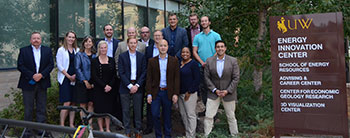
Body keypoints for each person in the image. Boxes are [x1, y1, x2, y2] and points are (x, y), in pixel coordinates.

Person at [17, 32, 54, 136]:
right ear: (30, 40)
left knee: (41, 108)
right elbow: (20, 65)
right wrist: (33, 75)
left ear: (41, 40)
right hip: (28, 83)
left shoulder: (47, 50)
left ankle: (41, 130)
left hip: (42, 82)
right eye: (34, 38)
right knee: (28, 108)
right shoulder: (23, 50)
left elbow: (51, 65)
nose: (36, 40)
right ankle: (27, 131)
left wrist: (41, 75)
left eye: (38, 38)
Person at [204, 40, 240, 137]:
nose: (220, 48)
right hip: (213, 93)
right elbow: (206, 77)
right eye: (218, 47)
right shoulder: (209, 61)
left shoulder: (233, 61)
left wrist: (227, 90)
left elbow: (236, 78)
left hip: (228, 94)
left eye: (222, 46)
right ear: (215, 49)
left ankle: (235, 135)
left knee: (231, 117)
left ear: (225, 48)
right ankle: (207, 135)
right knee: (208, 116)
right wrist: (214, 90)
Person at [146, 39, 179, 138]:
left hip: (168, 92)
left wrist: (175, 93)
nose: (163, 47)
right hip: (156, 92)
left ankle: (167, 135)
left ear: (168, 47)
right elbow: (149, 79)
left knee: (167, 116)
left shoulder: (174, 61)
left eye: (165, 45)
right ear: (158, 47)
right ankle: (158, 135)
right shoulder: (152, 61)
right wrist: (149, 94)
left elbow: (177, 78)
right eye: (161, 46)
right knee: (155, 114)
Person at [118, 38, 147, 138]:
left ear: (137, 44)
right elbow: (121, 72)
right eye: (131, 43)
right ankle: (127, 131)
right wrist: (130, 86)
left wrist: (137, 85)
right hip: (125, 86)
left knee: (137, 110)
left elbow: (144, 72)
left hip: (138, 86)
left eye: (135, 43)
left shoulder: (141, 56)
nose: (133, 45)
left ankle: (138, 130)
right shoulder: (122, 56)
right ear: (128, 44)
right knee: (125, 110)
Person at [192, 16, 221, 107]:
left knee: (213, 88)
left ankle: (214, 111)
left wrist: (210, 61)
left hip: (213, 66)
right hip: (201, 66)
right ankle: (207, 109)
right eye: (202, 21)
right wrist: (202, 62)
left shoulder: (216, 35)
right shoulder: (197, 37)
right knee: (203, 88)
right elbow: (194, 51)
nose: (204, 23)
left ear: (209, 22)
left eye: (205, 21)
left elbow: (219, 50)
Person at [91, 41, 117, 132]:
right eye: (101, 48)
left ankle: (108, 128)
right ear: (99, 49)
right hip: (99, 89)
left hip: (110, 89)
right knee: (99, 109)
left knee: (108, 109)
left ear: (107, 49)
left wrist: (109, 85)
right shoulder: (94, 61)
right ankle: (101, 128)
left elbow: (114, 75)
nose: (103, 49)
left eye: (105, 47)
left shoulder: (112, 60)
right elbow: (94, 76)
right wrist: (104, 86)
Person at [56, 31, 79, 127]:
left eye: (73, 37)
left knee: (73, 102)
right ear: (66, 38)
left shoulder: (77, 50)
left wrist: (75, 76)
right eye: (69, 37)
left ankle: (71, 124)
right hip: (65, 78)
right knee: (66, 102)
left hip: (75, 78)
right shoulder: (61, 50)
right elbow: (59, 65)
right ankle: (62, 124)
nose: (71, 39)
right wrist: (69, 76)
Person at [143, 30, 163, 134]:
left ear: (162, 37)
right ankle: (149, 127)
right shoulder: (148, 49)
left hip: (164, 81)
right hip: (152, 81)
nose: (157, 37)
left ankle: (163, 127)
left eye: (159, 35)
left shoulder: (167, 48)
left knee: (164, 107)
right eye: (156, 36)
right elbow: (145, 64)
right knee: (150, 105)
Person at [74, 35, 96, 127]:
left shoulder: (95, 55)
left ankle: (89, 125)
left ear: (92, 43)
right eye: (86, 41)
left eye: (90, 41)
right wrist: (85, 81)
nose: (88, 43)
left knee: (91, 104)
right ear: (83, 43)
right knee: (83, 104)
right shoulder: (79, 54)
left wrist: (94, 82)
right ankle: (84, 125)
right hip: (82, 82)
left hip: (93, 83)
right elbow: (77, 68)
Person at [178, 47, 200, 138]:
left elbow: (197, 79)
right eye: (183, 52)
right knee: (183, 115)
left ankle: (191, 135)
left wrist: (189, 91)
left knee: (190, 115)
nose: (185, 54)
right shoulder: (180, 63)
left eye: (187, 52)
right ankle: (188, 134)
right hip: (180, 94)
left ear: (190, 54)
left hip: (190, 94)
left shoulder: (193, 64)